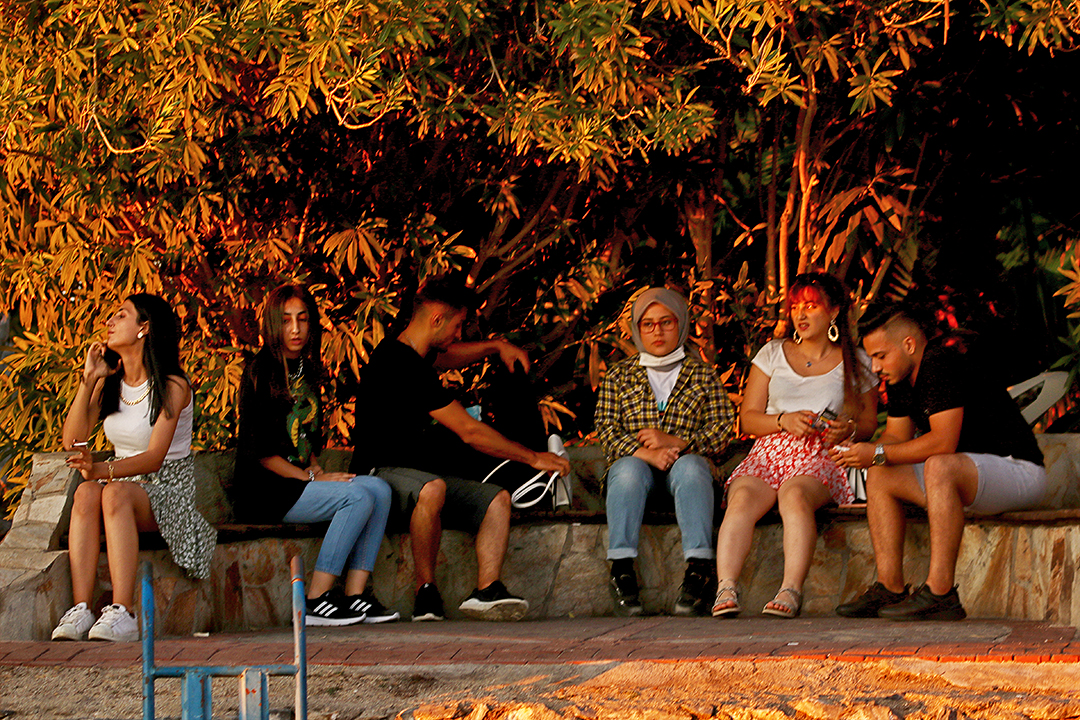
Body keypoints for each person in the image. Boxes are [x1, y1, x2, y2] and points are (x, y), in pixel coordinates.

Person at [349, 276, 571, 622]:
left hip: (421, 475)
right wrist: (533, 457)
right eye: (458, 324)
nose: (459, 332)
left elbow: (448, 357)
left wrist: (496, 346)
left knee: (497, 499)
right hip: (380, 475)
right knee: (434, 488)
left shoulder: (415, 352)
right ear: (437, 319)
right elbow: (469, 431)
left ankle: (487, 590)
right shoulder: (398, 362)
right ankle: (426, 593)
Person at [832, 305, 1046, 620]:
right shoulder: (901, 377)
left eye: (880, 356)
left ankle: (941, 593)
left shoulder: (939, 364)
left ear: (909, 345)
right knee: (880, 475)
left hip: (1018, 472)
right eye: (872, 358)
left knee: (938, 464)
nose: (875, 367)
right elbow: (895, 437)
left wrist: (876, 453)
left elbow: (943, 442)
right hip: (969, 479)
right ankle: (889, 586)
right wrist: (860, 451)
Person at [52, 294, 216, 642]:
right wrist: (88, 379)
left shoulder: (173, 386)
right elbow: (72, 440)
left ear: (144, 327)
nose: (110, 322)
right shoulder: (111, 381)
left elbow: (156, 456)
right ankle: (80, 609)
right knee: (85, 493)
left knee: (111, 492)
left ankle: (122, 612)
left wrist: (100, 471)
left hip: (168, 488)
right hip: (123, 482)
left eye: (121, 315)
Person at [713, 273, 877, 619]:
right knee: (741, 496)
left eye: (811, 306)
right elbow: (747, 418)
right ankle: (726, 587)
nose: (800, 315)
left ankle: (791, 589)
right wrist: (782, 420)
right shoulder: (772, 353)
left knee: (794, 494)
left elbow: (868, 424)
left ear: (833, 312)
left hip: (821, 455)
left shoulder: (856, 360)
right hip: (770, 451)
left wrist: (846, 428)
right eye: (795, 307)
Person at [233, 284, 398, 626]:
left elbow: (306, 442)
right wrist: (312, 478)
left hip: (299, 481)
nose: (295, 329)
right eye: (286, 320)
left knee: (379, 490)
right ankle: (315, 600)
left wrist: (314, 468)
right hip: (265, 489)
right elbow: (261, 454)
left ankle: (354, 595)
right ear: (272, 324)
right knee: (355, 498)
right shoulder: (259, 371)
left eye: (302, 320)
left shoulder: (308, 371)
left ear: (311, 324)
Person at [595, 288, 736, 616]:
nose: (657, 331)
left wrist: (677, 442)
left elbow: (722, 429)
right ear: (637, 329)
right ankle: (621, 569)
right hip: (634, 481)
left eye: (666, 322)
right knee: (628, 469)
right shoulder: (619, 375)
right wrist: (644, 453)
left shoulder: (702, 374)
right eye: (648, 324)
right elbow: (606, 429)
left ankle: (699, 569)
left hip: (690, 484)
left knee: (689, 467)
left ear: (682, 324)